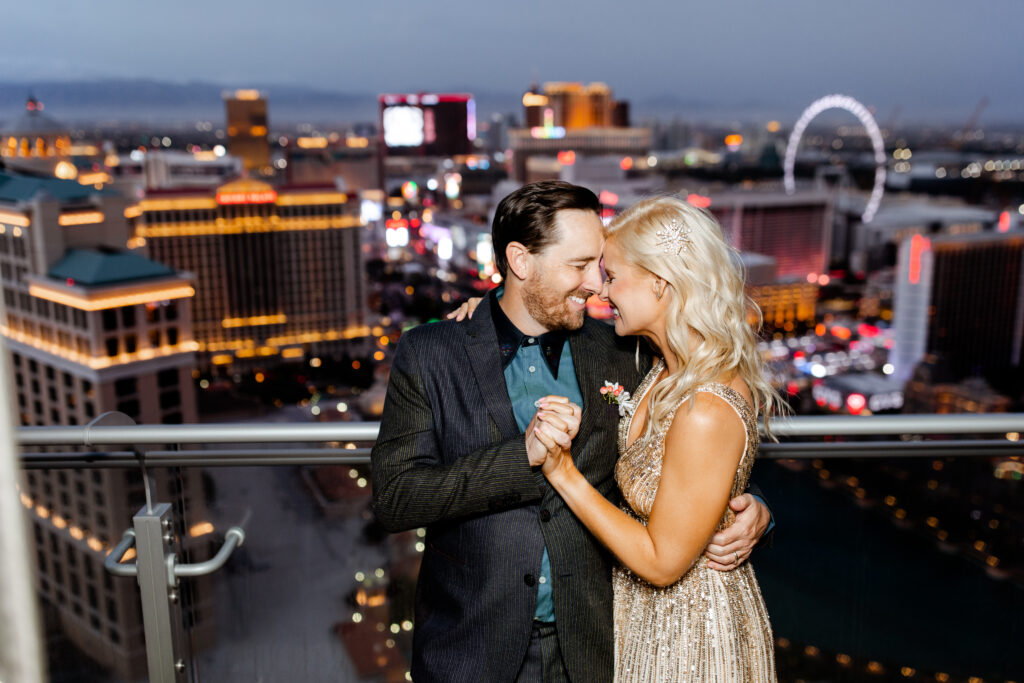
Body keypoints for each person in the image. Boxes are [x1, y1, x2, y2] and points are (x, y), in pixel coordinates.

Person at [371, 181, 773, 683]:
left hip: (598, 650)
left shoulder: (624, 351)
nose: (595, 286)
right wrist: (523, 456)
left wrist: (750, 508)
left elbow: (694, 443)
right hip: (471, 651)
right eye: (580, 265)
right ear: (521, 261)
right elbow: (395, 498)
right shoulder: (432, 353)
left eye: (602, 267)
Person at [530, 195, 783, 681]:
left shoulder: (706, 406)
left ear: (660, 285)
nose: (602, 292)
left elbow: (664, 563)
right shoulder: (656, 367)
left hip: (694, 636)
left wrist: (562, 473)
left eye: (612, 275)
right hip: (638, 619)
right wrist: (483, 308)